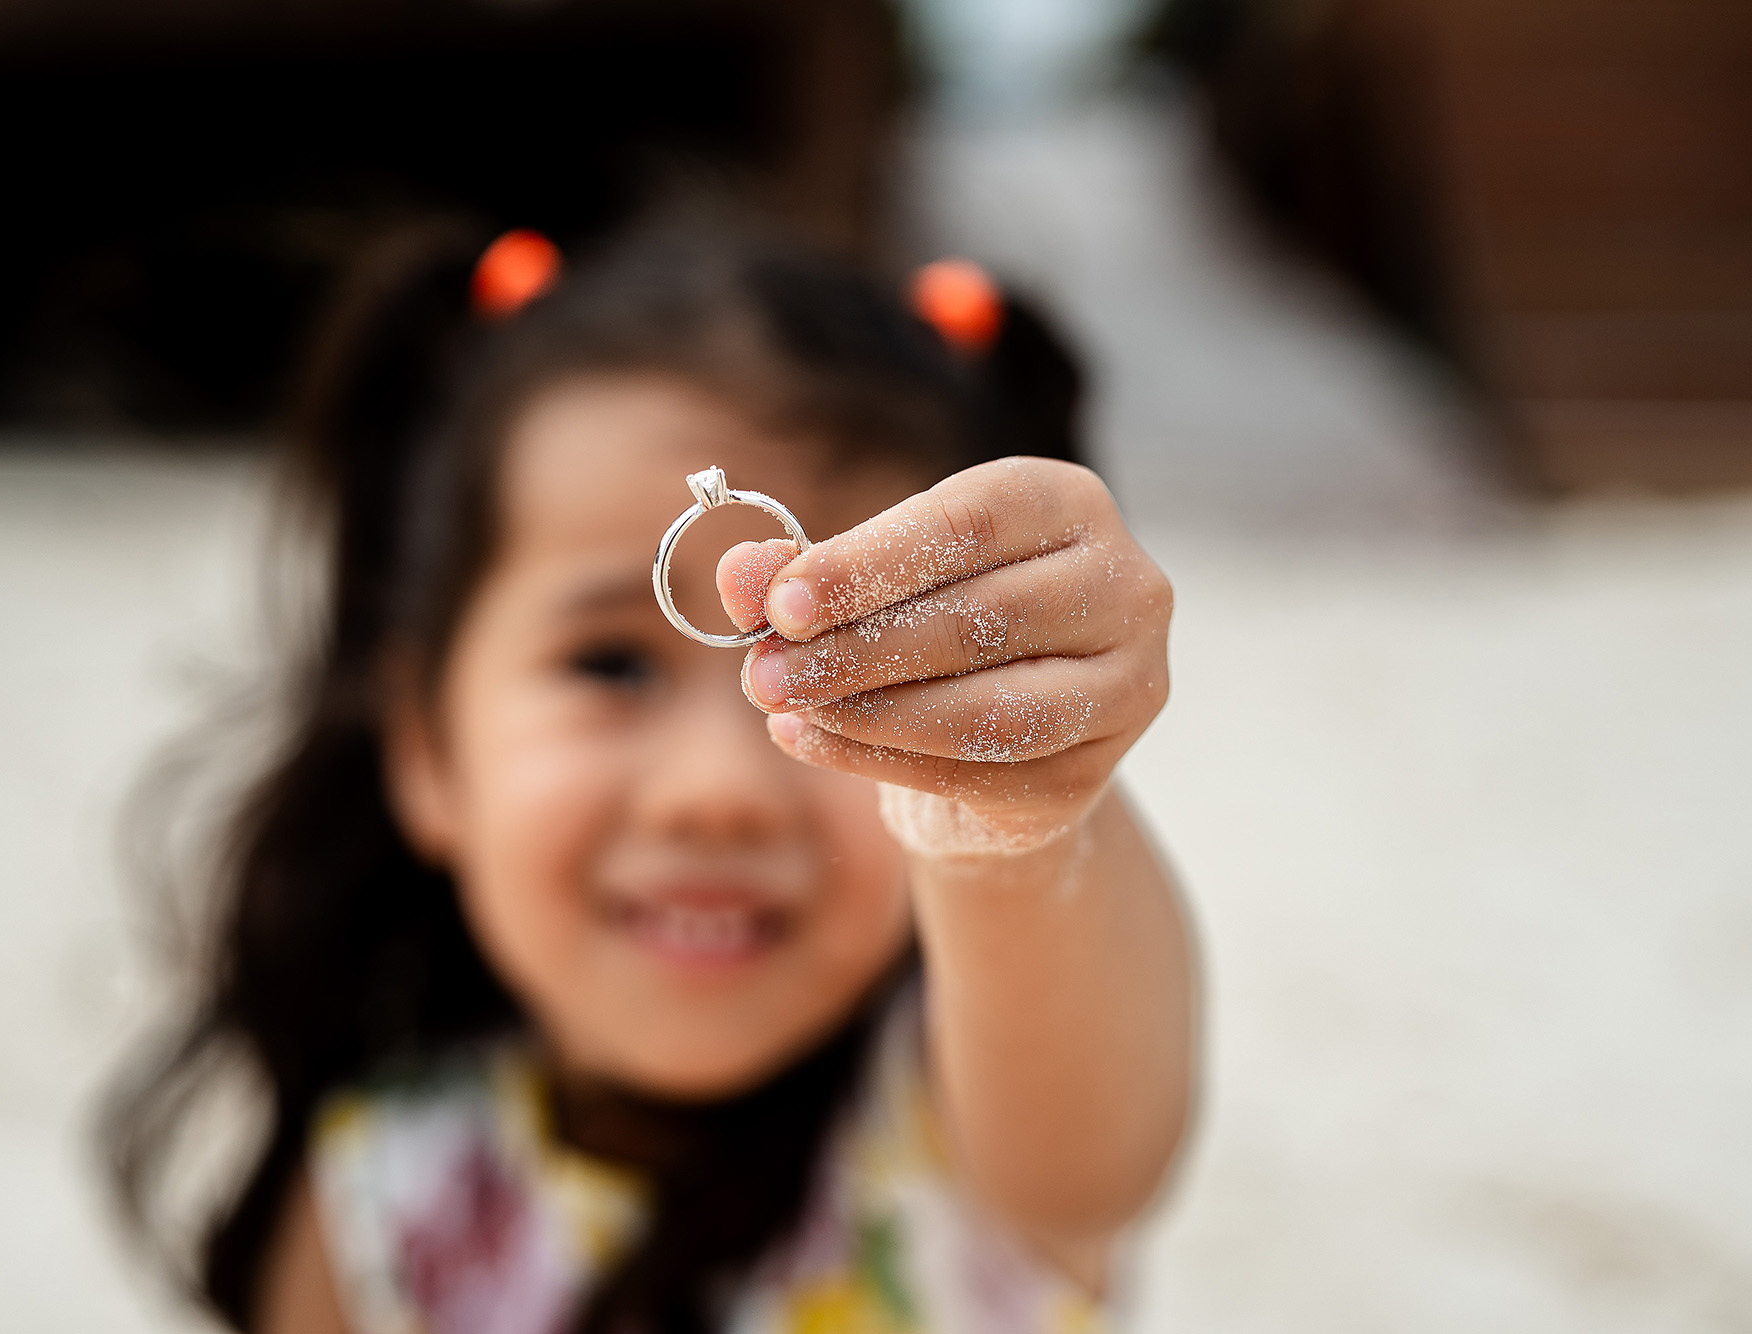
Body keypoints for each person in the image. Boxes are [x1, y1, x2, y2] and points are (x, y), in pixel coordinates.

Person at [105, 222, 1194, 1334]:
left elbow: (1103, 1154)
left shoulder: (985, 1123)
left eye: (848, 682)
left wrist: (1013, 813)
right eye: (611, 664)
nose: (713, 789)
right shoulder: (376, 1205)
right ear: (429, 747)